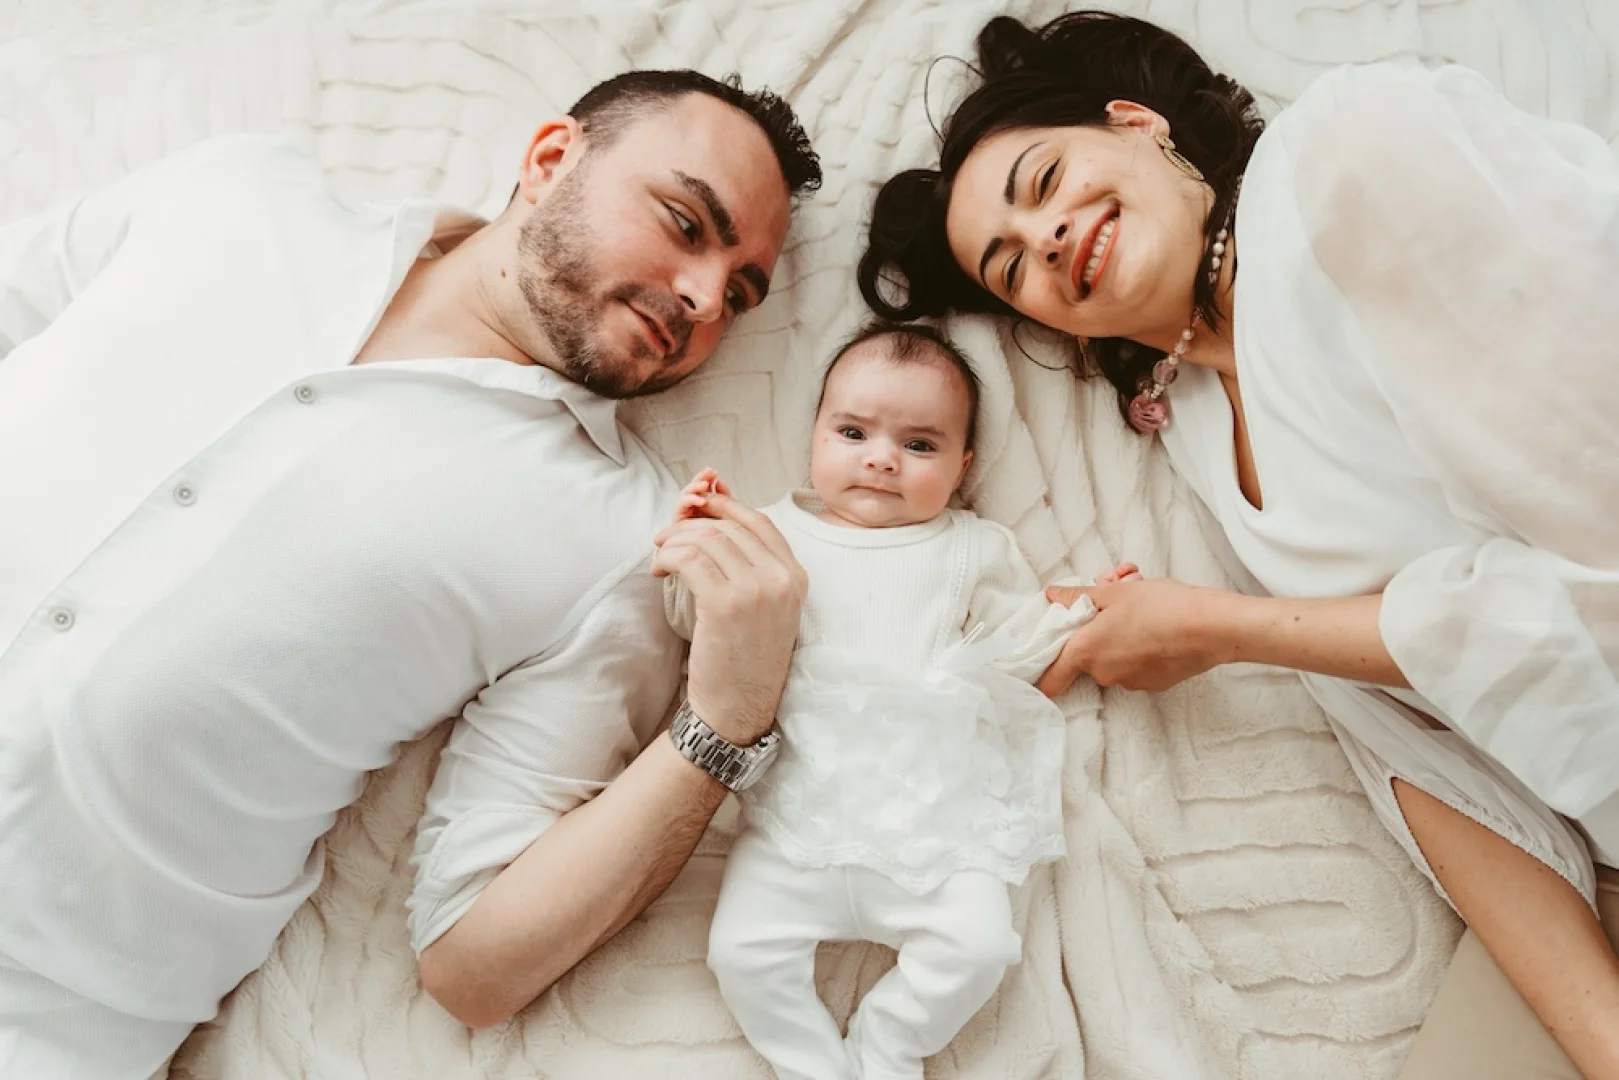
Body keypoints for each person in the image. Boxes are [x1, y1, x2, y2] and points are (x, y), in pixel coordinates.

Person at [0, 69, 820, 1080]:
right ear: (551, 158)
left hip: (37, 1012)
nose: (703, 301)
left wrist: (727, 719)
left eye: (739, 292)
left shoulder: (619, 539)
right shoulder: (240, 197)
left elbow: (475, 965)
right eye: (685, 222)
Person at [858, 11, 1619, 1079]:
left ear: (1138, 125)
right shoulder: (1197, 438)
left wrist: (1219, 630)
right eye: (1008, 266)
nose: (1047, 241)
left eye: (1043, 181)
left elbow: (1603, 573)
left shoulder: (1353, 151)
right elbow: (1414, 757)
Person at [654, 323, 1091, 1080]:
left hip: (937, 824)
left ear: (963, 466)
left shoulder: (971, 548)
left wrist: (1078, 612)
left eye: (919, 446)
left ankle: (888, 1044)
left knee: (982, 947)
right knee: (740, 953)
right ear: (815, 434)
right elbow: (698, 629)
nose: (881, 458)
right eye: (852, 431)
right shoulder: (771, 532)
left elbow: (1017, 652)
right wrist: (693, 551)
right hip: (795, 821)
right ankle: (815, 1067)